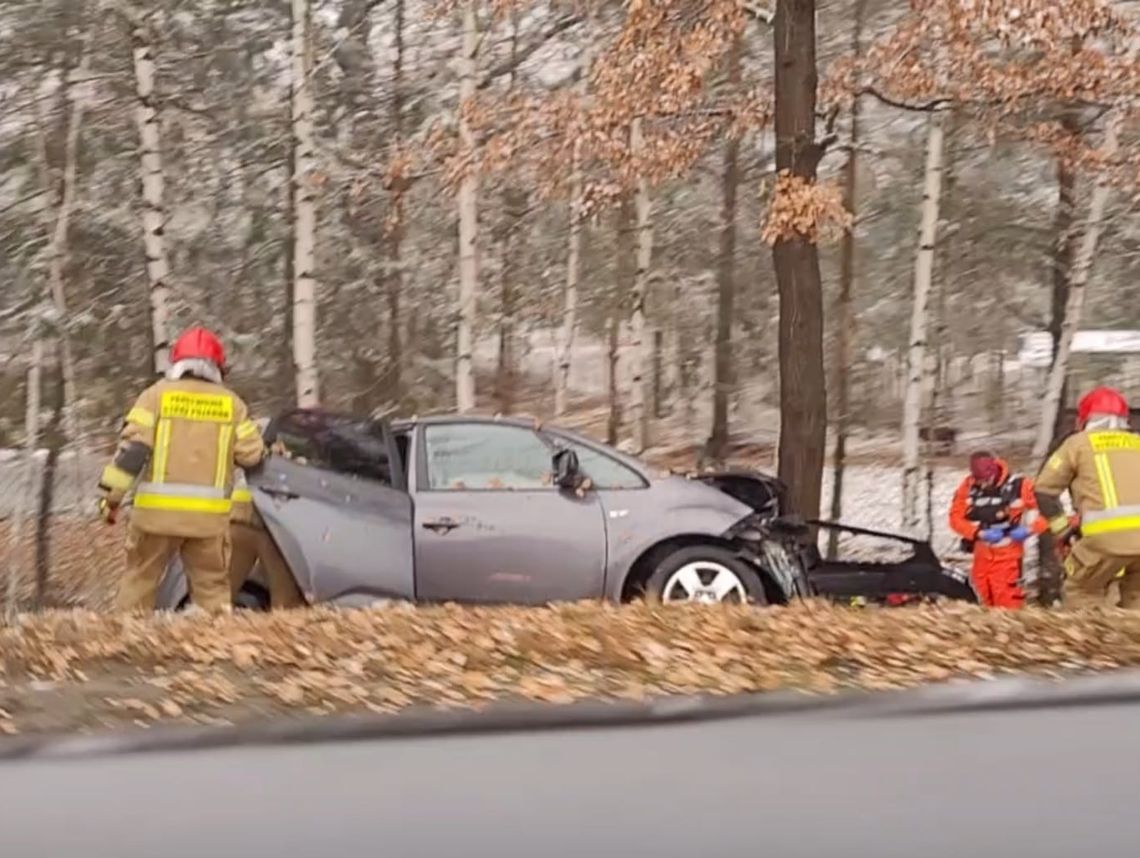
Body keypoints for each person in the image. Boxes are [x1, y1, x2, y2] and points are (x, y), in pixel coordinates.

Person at [96, 327, 265, 613]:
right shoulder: (232, 405)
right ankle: (212, 649)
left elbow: (132, 453)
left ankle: (124, 644)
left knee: (139, 582)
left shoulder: (155, 397)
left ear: (176, 363)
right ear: (218, 367)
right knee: (211, 591)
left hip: (155, 519)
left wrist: (111, 499)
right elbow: (252, 456)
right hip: (207, 522)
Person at [1034, 386, 1140, 609]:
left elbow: (1044, 490)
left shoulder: (1078, 444)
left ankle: (1094, 643)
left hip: (1103, 542)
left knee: (1081, 590)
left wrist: (1063, 530)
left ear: (1084, 419)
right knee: (1136, 598)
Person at [949, 451, 1047, 609]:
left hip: (1009, 557)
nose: (982, 484)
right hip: (981, 556)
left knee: (1008, 606)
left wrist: (1028, 530)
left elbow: (1045, 516)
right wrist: (977, 533)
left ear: (994, 472)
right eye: (979, 480)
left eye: (986, 480)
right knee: (979, 603)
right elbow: (955, 518)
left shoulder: (1020, 486)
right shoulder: (968, 486)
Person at [229, 435, 306, 610]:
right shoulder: (310, 447)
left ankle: (208, 631)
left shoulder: (261, 433)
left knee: (219, 597)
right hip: (274, 525)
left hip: (240, 513)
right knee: (286, 606)